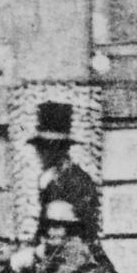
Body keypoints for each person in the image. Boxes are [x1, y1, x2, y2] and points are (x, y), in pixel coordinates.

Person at [30, 100, 100, 242]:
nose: (38, 154)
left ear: (56, 149)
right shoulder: (48, 179)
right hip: (54, 248)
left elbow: (81, 229)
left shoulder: (76, 180)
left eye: (42, 148)